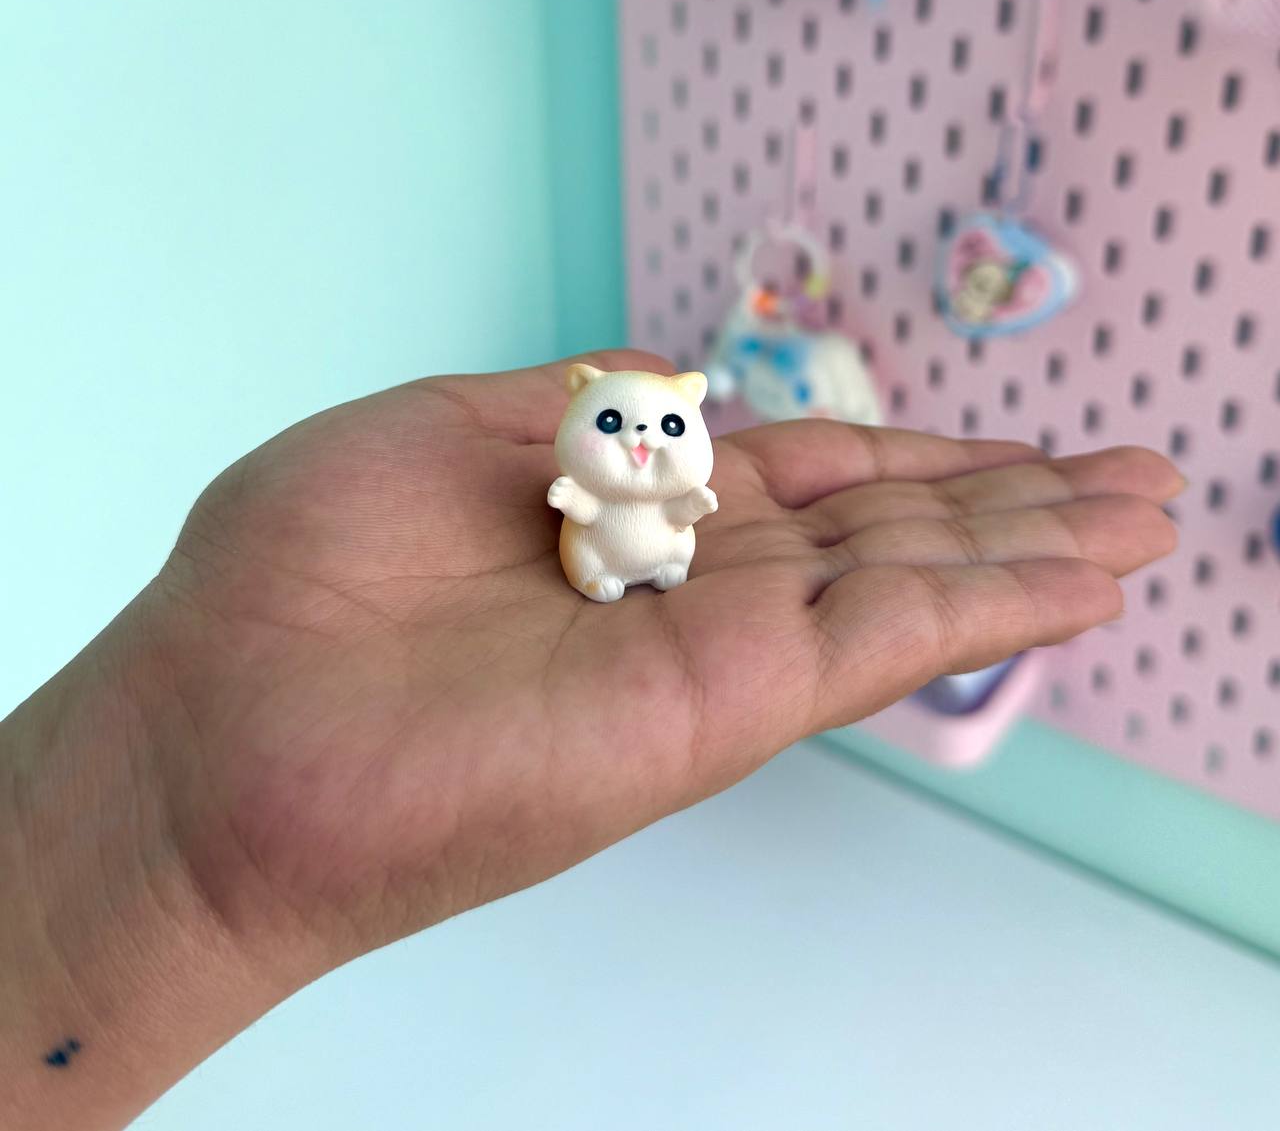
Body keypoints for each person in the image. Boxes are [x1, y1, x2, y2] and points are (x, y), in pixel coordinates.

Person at [0, 349, 1181, 1130]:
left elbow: (677, 496)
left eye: (658, 426)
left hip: (654, 553)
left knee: (651, 548)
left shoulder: (673, 474)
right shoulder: (570, 485)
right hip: (603, 557)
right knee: (618, 551)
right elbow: (590, 495)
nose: (636, 445)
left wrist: (675, 512)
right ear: (577, 411)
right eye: (614, 424)